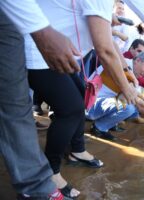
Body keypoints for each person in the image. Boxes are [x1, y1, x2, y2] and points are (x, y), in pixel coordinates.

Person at [0, 0, 83, 198]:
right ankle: (46, 177)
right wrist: (42, 32)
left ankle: (40, 184)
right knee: (67, 108)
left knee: (18, 107)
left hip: (22, 25)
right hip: (35, 39)